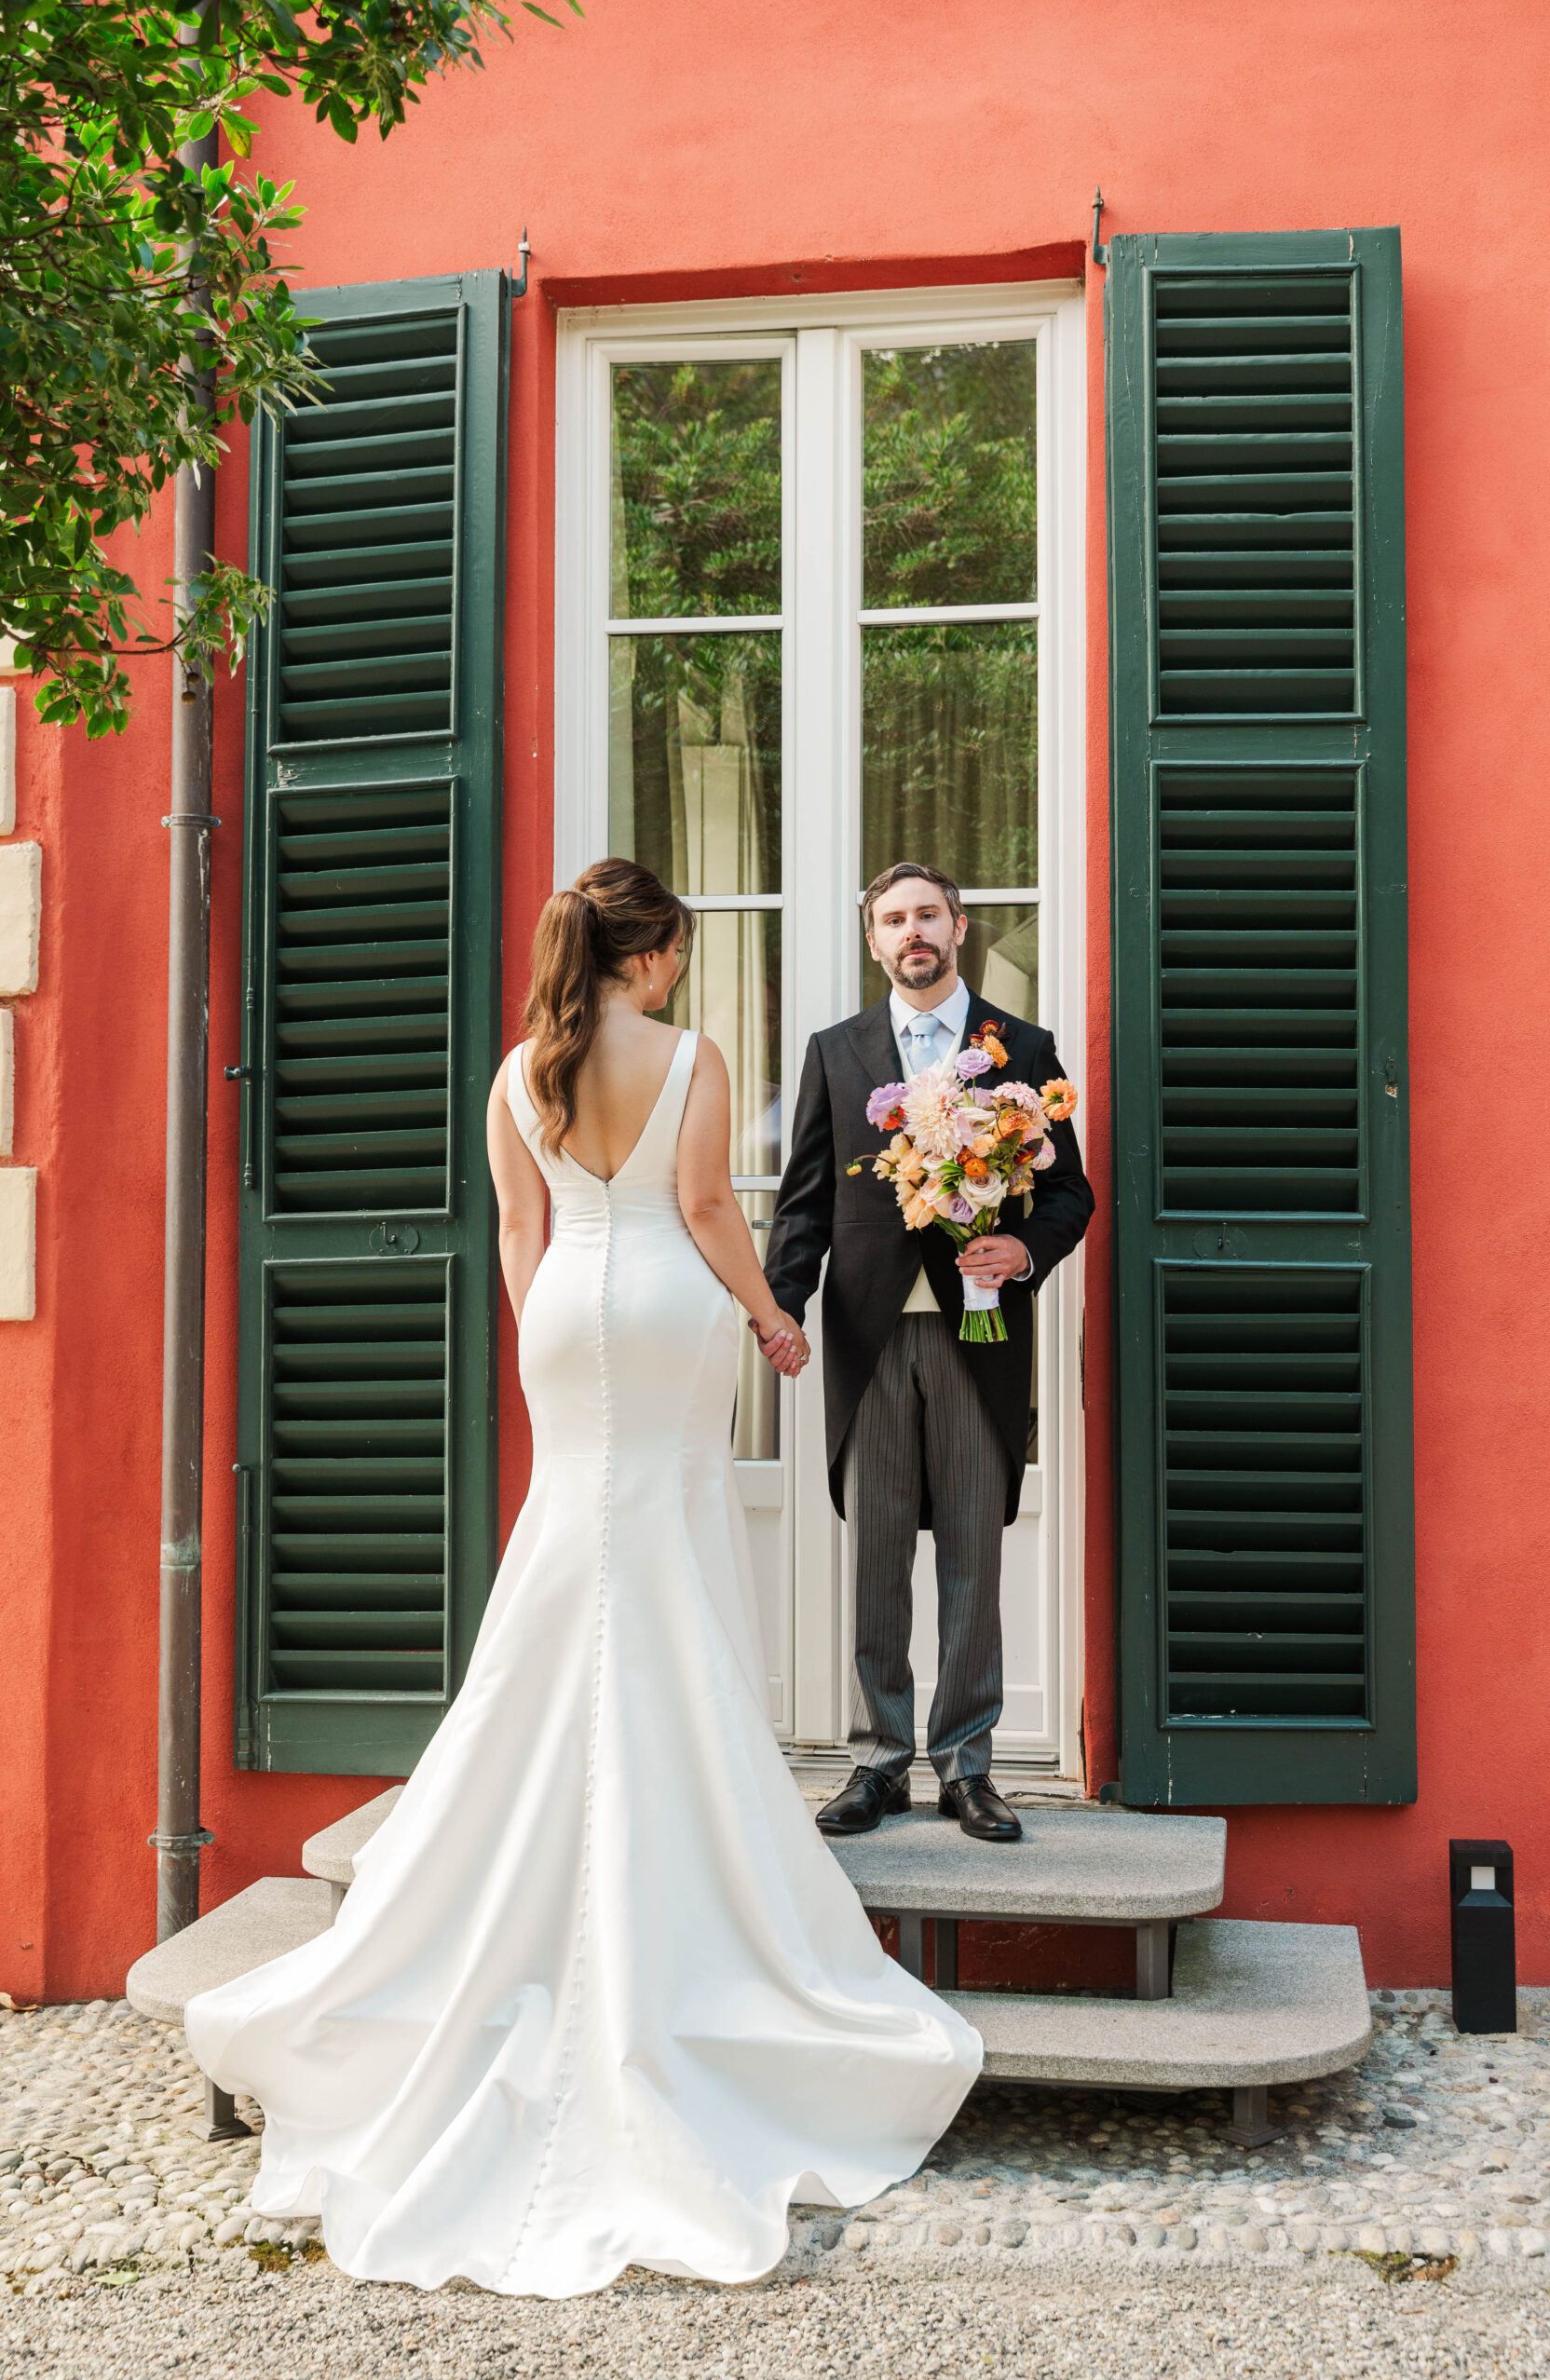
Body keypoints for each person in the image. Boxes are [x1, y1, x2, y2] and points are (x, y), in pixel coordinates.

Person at [184, 858, 981, 2299]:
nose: (676, 970)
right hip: (669, 1312)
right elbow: (706, 1209)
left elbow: (516, 1229)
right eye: (672, 950)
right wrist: (768, 1322)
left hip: (562, 1316)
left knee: (570, 1551)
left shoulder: (518, 1072)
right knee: (662, 1552)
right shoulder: (685, 1055)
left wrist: (551, 1320)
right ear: (654, 951)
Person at [762, 862, 1094, 1845]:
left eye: (926, 916)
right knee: (871, 1556)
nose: (911, 932)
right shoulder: (835, 1051)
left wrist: (1024, 1247)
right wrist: (780, 1306)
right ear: (873, 940)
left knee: (970, 1555)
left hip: (976, 1331)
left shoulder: (1021, 1047)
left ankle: (966, 1765)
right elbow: (806, 1202)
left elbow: (1067, 1192)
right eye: (891, 919)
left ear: (958, 926)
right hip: (867, 1336)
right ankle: (874, 1760)